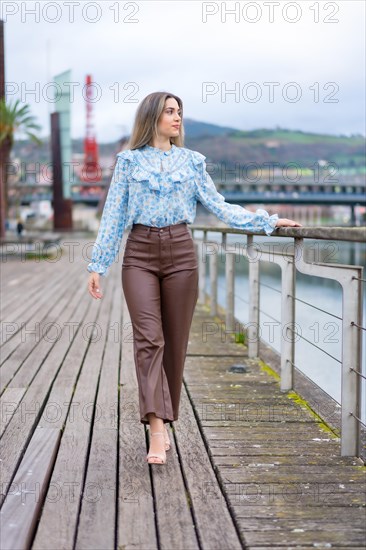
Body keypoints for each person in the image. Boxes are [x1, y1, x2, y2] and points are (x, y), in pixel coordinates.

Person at [87, 91, 302, 465]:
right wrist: (98, 264)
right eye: (170, 111)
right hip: (139, 253)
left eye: (180, 112)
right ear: (152, 117)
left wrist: (266, 221)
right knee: (149, 339)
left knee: (175, 344)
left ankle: (164, 418)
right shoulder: (127, 162)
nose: (177, 118)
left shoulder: (192, 161)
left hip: (182, 254)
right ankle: (157, 428)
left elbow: (218, 206)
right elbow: (113, 216)